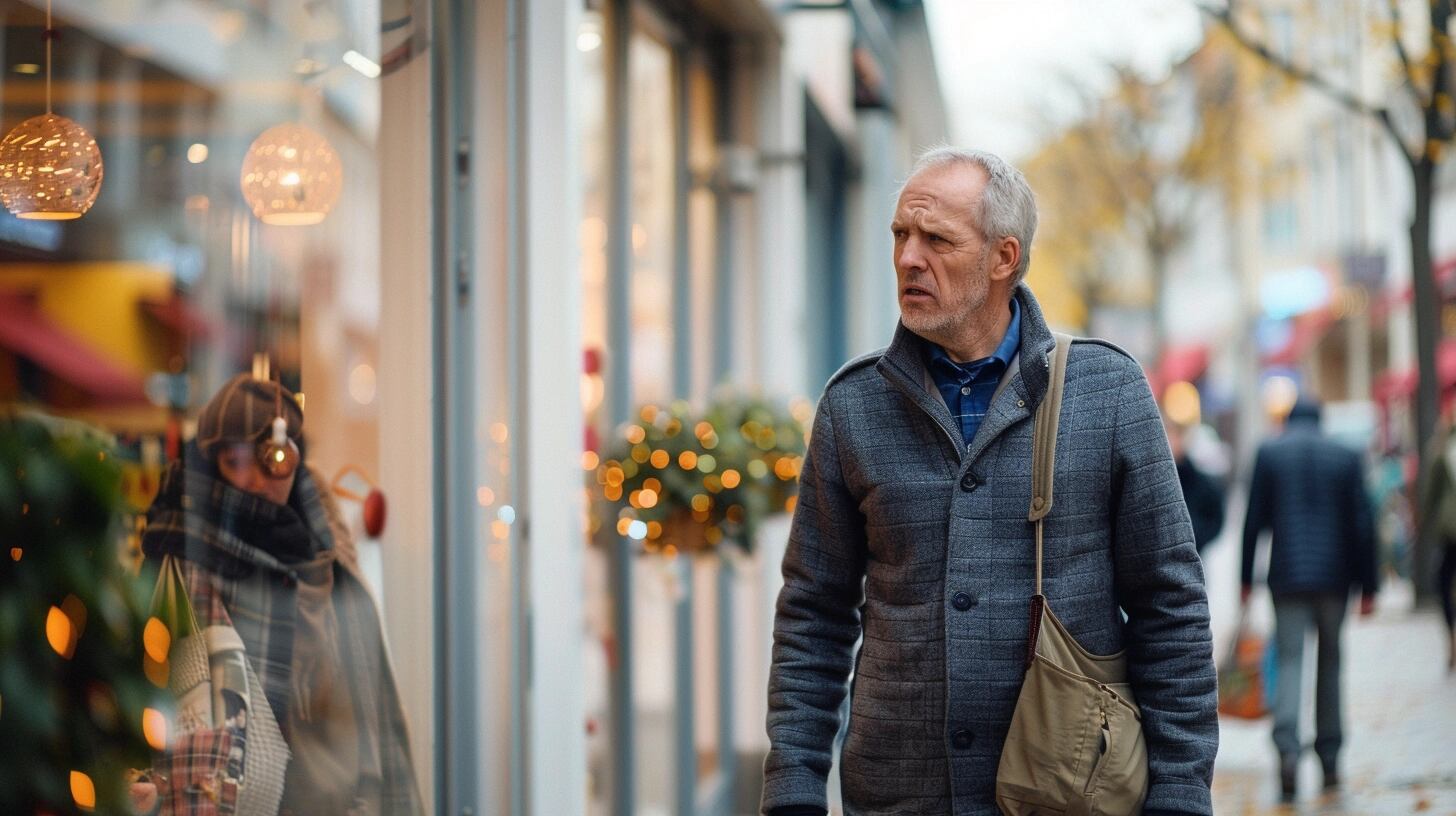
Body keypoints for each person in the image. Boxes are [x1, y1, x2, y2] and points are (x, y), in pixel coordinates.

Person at [761, 147, 1218, 816]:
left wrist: (1180, 789)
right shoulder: (851, 405)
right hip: (898, 797)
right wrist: (793, 786)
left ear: (1004, 257)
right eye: (900, 234)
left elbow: (1168, 603)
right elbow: (814, 612)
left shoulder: (1108, 391)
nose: (908, 258)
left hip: (1068, 794)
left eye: (937, 239)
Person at [134, 374, 423, 815]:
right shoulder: (179, 558)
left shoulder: (329, 561)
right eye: (234, 461)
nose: (255, 481)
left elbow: (373, 717)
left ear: (296, 457)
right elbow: (139, 696)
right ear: (209, 464)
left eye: (276, 460)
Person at [1240, 397, 1377, 802]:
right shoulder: (1345, 456)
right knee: (1331, 664)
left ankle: (1287, 752)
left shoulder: (1270, 453)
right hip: (1335, 579)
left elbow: (1253, 520)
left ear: (1289, 420)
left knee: (1289, 660)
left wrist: (1244, 580)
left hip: (1288, 578)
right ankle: (1330, 758)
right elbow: (1363, 524)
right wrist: (1369, 587)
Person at [1420, 420, 1456, 671]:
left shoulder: (1441, 448)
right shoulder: (1442, 449)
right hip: (1449, 529)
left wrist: (1424, 524)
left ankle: (1452, 637)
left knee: (1443, 581)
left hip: (1449, 529)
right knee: (1444, 580)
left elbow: (1431, 494)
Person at [1167, 418, 1226, 554]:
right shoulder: (1156, 477)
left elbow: (1216, 517)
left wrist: (1196, 537)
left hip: (1194, 553)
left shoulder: (1199, 480)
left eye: (1172, 437)